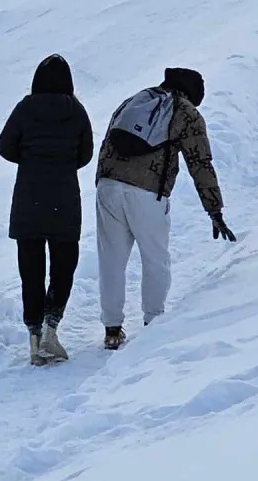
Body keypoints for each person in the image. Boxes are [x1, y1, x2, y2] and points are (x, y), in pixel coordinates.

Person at [95, 68, 236, 351]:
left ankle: (112, 329)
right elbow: (200, 163)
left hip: (108, 185)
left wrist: (104, 182)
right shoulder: (186, 112)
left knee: (111, 259)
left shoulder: (136, 100)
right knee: (155, 258)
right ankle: (153, 322)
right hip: (146, 192)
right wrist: (214, 210)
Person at [0, 55, 94, 365]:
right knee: (64, 266)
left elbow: (4, 146)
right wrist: (61, 162)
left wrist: (31, 159)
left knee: (31, 271)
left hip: (29, 199)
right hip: (64, 199)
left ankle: (34, 336)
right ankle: (52, 327)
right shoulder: (76, 110)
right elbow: (86, 154)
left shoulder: (25, 108)